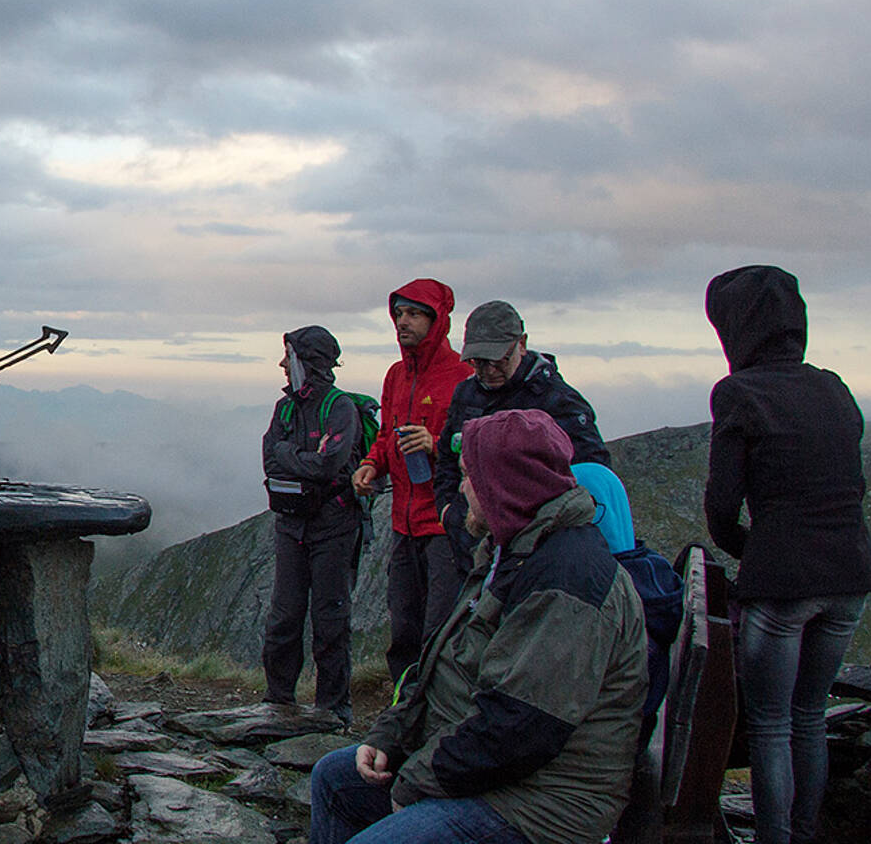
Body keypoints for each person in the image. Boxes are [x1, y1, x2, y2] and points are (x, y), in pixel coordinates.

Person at [311, 409, 649, 844]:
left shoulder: (566, 581)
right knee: (335, 780)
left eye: (470, 476)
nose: (462, 488)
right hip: (493, 772)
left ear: (503, 485)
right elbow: (442, 661)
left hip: (541, 803)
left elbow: (521, 728)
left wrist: (417, 778)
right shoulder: (511, 551)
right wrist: (391, 735)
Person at [704, 265, 871, 844]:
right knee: (809, 718)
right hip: (850, 574)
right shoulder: (833, 385)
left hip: (782, 584)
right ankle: (808, 833)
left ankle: (774, 839)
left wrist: (757, 553)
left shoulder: (738, 393)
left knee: (771, 725)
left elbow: (722, 509)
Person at [350, 279, 472, 688]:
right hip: (403, 523)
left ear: (438, 322)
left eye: (415, 314)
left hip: (443, 524)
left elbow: (481, 446)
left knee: (441, 623)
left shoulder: (463, 377)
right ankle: (403, 707)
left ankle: (439, 708)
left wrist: (437, 445)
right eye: (399, 314)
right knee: (403, 623)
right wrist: (370, 465)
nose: (403, 322)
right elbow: (386, 436)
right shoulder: (396, 376)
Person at [434, 300, 613, 572]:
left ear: (521, 343)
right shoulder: (466, 394)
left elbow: (590, 476)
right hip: (470, 549)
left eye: (498, 359)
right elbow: (447, 456)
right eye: (478, 361)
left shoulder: (559, 402)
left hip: (533, 560)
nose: (488, 370)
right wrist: (449, 512)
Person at [262, 327, 364, 722]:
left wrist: (289, 453)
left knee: (330, 617)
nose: (283, 364)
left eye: (289, 357)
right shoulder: (284, 408)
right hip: (291, 525)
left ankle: (333, 710)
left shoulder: (339, 408)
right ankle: (278, 703)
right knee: (284, 616)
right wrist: (299, 457)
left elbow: (329, 463)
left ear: (307, 362)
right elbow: (269, 460)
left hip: (334, 526)